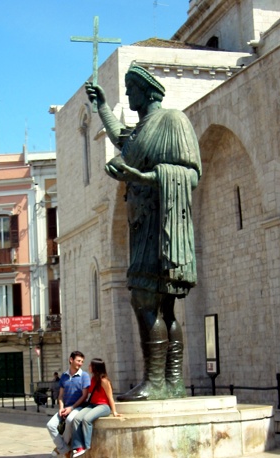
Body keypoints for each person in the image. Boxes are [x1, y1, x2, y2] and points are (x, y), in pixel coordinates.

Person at [85, 64, 202, 401]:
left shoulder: (173, 121)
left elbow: (190, 174)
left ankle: (158, 382)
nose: (128, 95)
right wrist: (102, 107)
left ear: (147, 91)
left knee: (148, 300)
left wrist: (139, 177)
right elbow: (122, 139)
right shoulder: (140, 132)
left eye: (131, 89)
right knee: (160, 305)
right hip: (142, 223)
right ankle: (170, 384)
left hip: (162, 225)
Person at [46, 351, 90, 458]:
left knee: (70, 420)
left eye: (82, 361)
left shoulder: (84, 376)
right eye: (78, 361)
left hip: (78, 407)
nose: (80, 363)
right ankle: (65, 450)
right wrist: (61, 408)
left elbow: (84, 396)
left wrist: (71, 408)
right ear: (71, 360)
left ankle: (61, 449)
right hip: (65, 407)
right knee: (50, 425)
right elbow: (60, 396)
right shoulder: (64, 376)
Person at [71, 358, 120, 458]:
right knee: (76, 419)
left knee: (86, 419)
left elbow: (110, 397)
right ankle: (78, 446)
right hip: (92, 405)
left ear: (95, 367)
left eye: (91, 365)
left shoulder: (104, 381)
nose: (88, 367)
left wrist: (114, 411)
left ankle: (87, 445)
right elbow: (88, 392)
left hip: (103, 406)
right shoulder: (93, 379)